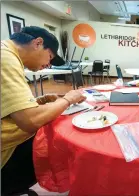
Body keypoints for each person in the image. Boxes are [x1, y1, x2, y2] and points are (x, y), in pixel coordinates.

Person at [1, 26, 86, 195]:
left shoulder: (6, 52)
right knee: (57, 144)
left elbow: (9, 108)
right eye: (50, 57)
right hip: (5, 156)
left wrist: (41, 100)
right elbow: (30, 121)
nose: (48, 64)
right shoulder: (5, 58)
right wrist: (67, 99)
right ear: (38, 43)